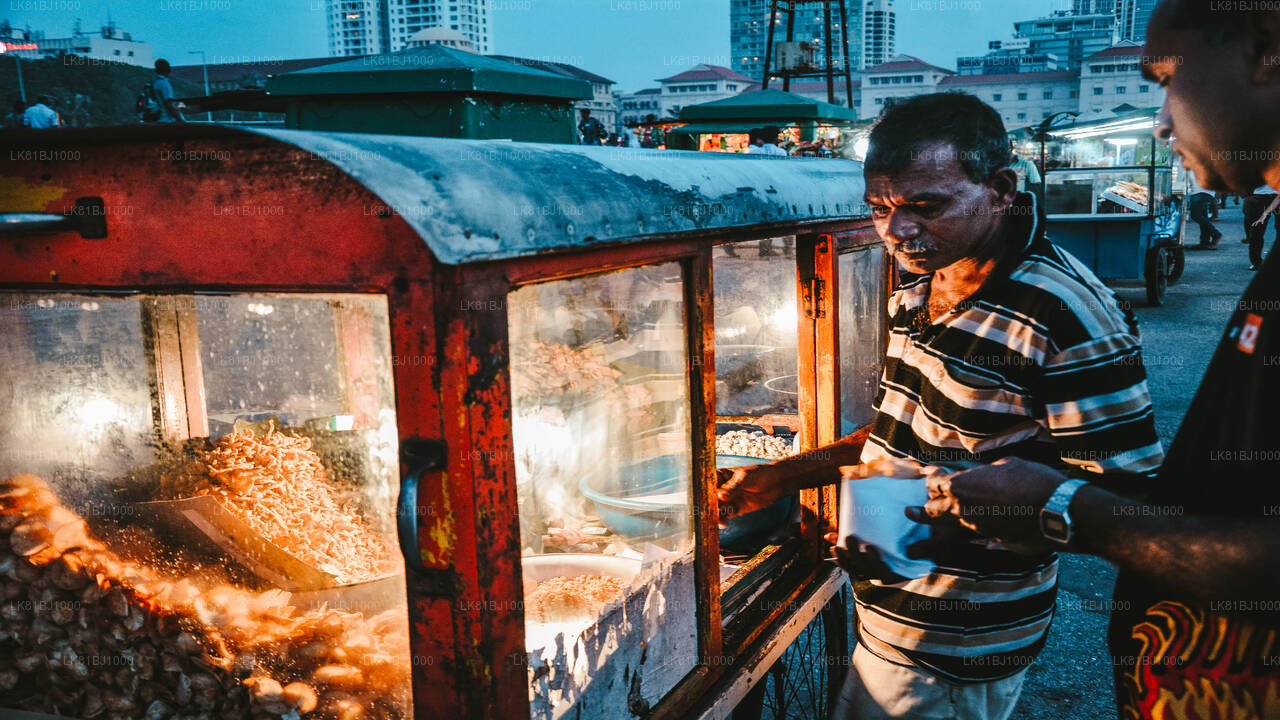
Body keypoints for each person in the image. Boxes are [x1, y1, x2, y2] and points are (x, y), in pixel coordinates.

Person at [718, 92, 1163, 720]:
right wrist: (780, 477)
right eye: (880, 209)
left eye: (926, 207)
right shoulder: (923, 281)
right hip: (892, 619)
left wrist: (963, 513)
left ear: (1002, 189)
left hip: (957, 644)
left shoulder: (1066, 316)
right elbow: (911, 429)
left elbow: (1128, 503)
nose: (897, 232)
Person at [910, 3, 1280, 719]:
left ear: (1265, 47)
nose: (1162, 122)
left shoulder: (1061, 299)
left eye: (1168, 78)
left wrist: (1060, 504)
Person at [1243, 184, 1279, 269]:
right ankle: (1256, 261)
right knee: (1256, 230)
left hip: (1261, 196)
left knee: (1256, 231)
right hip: (1261, 196)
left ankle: (1256, 262)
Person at [1186, 167, 1223, 248]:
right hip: (1206, 192)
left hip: (1198, 192)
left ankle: (1215, 233)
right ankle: (1205, 241)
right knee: (1203, 216)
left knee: (1195, 215)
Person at [151, 59, 185, 123]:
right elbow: (169, 104)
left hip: (158, 119)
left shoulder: (154, 83)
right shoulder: (164, 84)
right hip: (168, 120)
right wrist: (180, 119)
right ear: (168, 69)